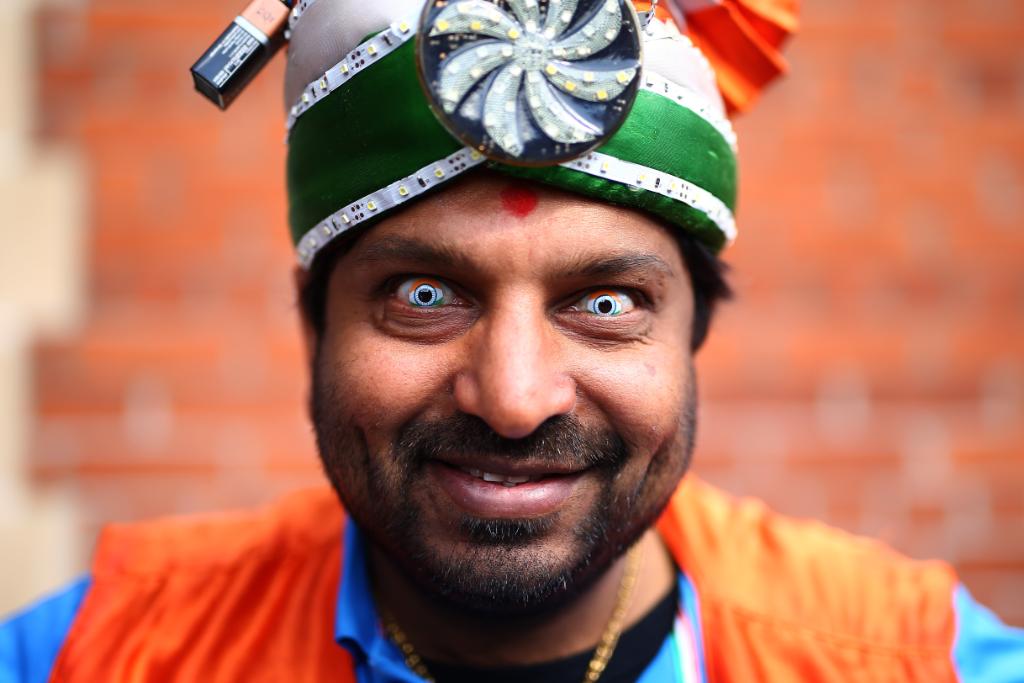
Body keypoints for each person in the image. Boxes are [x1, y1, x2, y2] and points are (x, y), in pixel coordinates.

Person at [2, 0, 1023, 681]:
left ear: (694, 331)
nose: (515, 396)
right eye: (423, 292)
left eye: (607, 303)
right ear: (312, 319)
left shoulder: (913, 658)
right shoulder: (91, 653)